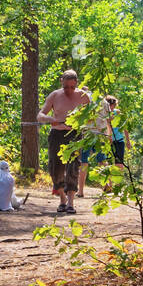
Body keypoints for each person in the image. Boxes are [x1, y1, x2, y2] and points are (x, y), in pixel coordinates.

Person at [37, 69, 91, 213]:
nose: (69, 90)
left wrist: (82, 122)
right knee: (56, 169)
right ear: (62, 82)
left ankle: (71, 202)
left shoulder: (83, 97)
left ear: (77, 84)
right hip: (57, 134)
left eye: (72, 87)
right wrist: (50, 119)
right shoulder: (55, 95)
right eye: (66, 87)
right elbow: (40, 115)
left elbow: (92, 117)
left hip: (74, 135)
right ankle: (62, 198)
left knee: (73, 167)